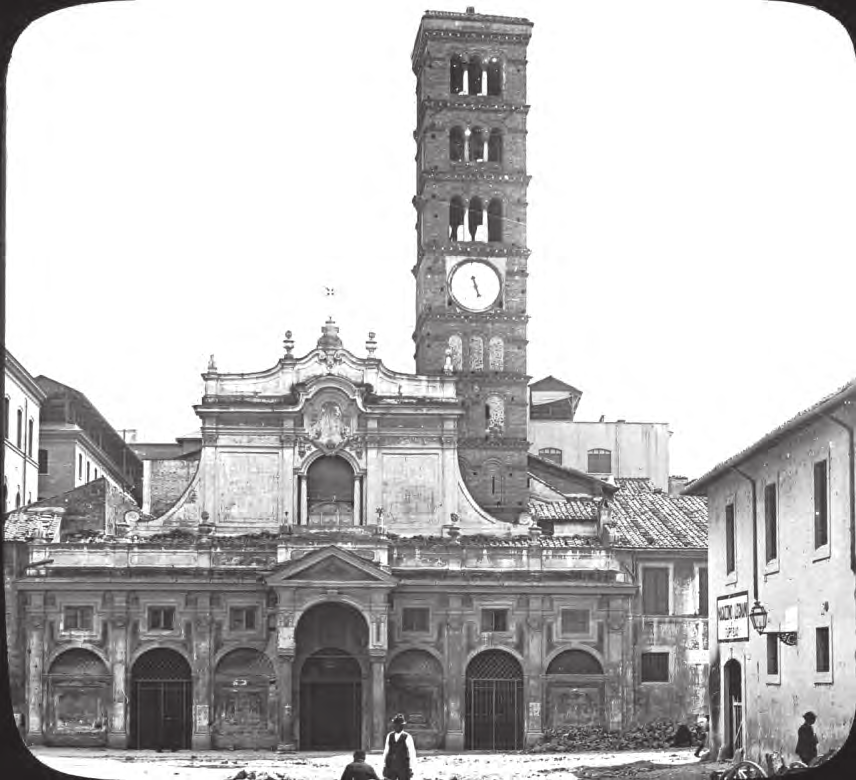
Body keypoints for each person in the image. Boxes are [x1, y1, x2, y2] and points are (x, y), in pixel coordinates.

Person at [382, 714, 416, 780]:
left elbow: (412, 753)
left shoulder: (407, 737)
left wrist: (411, 768)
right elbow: (386, 751)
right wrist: (384, 765)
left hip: (403, 766)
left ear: (402, 726)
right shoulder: (390, 736)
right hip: (391, 765)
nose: (396, 727)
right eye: (395, 725)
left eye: (398, 725)